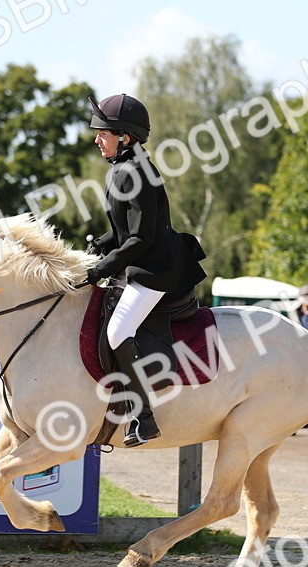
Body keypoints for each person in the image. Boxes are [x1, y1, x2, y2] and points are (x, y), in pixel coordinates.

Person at [82, 93, 207, 448]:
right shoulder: (121, 169)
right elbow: (124, 230)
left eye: (103, 133)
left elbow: (140, 237)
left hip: (155, 270)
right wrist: (101, 246)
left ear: (125, 136)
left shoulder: (136, 172)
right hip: (139, 261)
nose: (97, 139)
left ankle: (144, 417)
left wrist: (103, 267)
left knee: (118, 331)